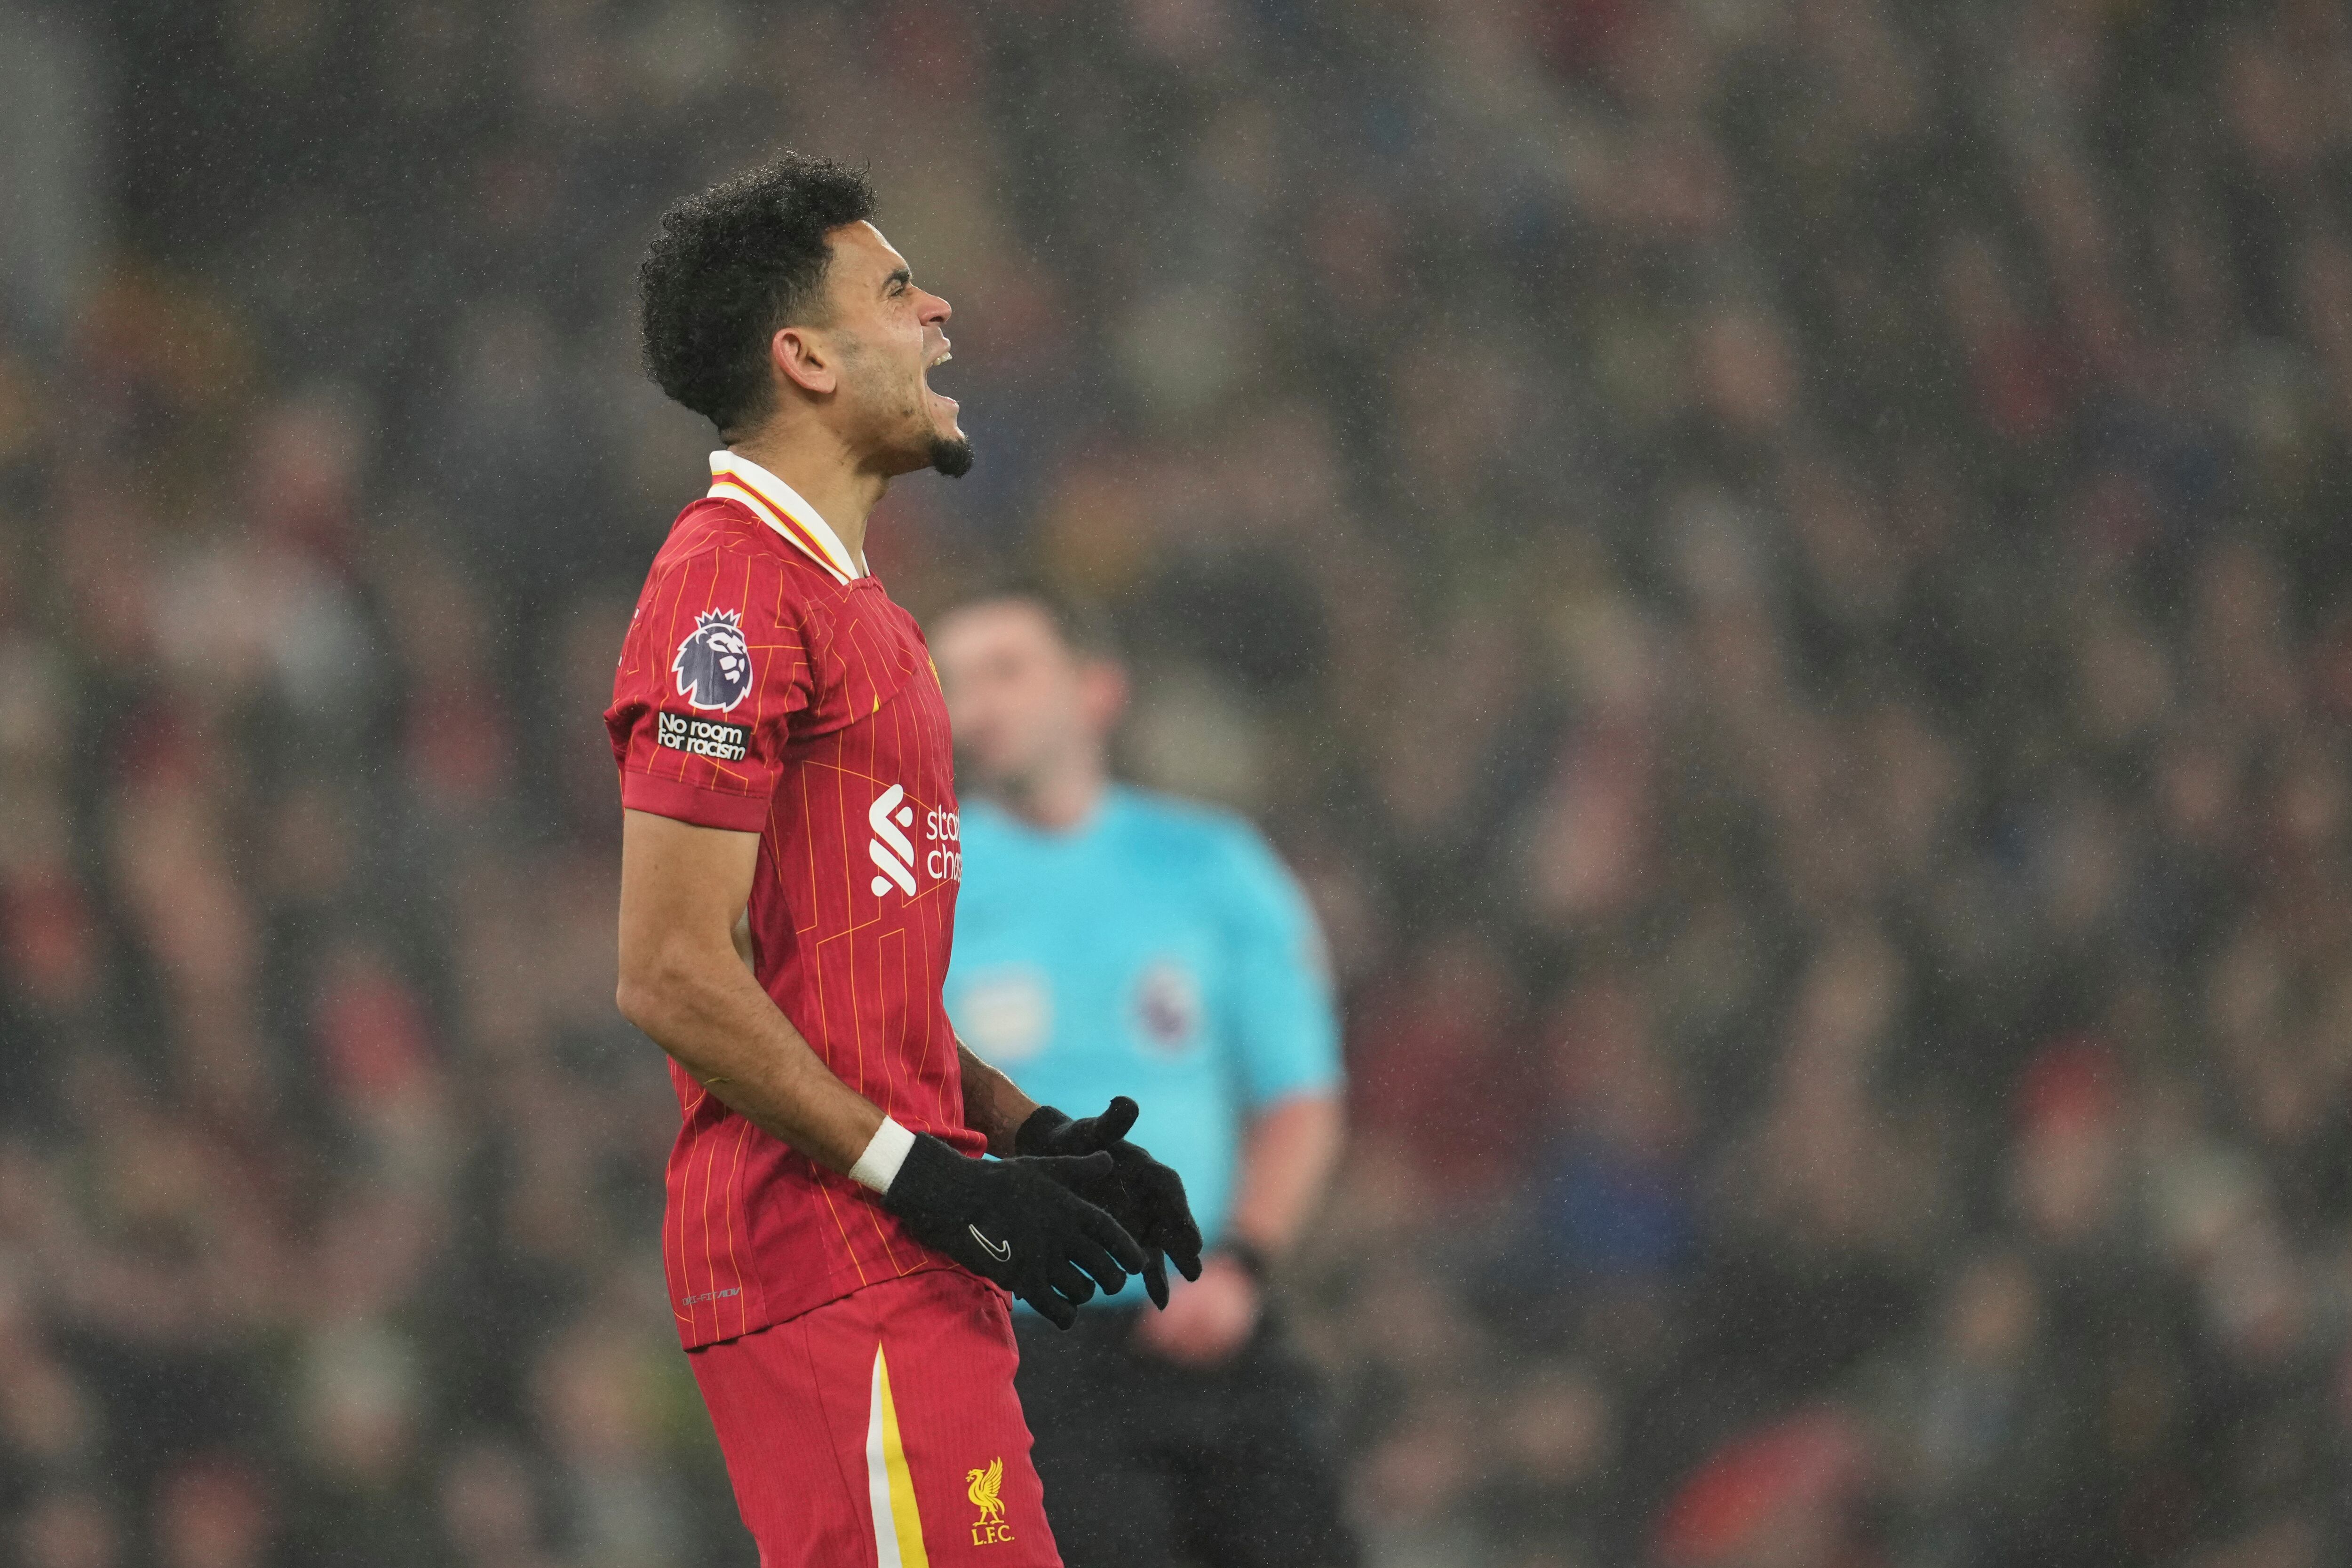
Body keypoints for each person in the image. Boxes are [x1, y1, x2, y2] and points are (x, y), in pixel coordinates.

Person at [606, 154, 1203, 1568]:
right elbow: (671, 969)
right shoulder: (728, 588)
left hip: (908, 1261)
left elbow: (843, 992)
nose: (938, 311)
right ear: (804, 358)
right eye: (894, 290)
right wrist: (930, 1177)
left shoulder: (865, 614)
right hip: (828, 1257)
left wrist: (1026, 1133)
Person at [935, 588, 1359, 1568]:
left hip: (1211, 1315)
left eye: (1006, 670)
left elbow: (1300, 1097)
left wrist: (1244, 1259)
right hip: (1024, 1344)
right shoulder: (919, 885)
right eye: (952, 681)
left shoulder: (1213, 866)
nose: (974, 704)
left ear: (1097, 688)